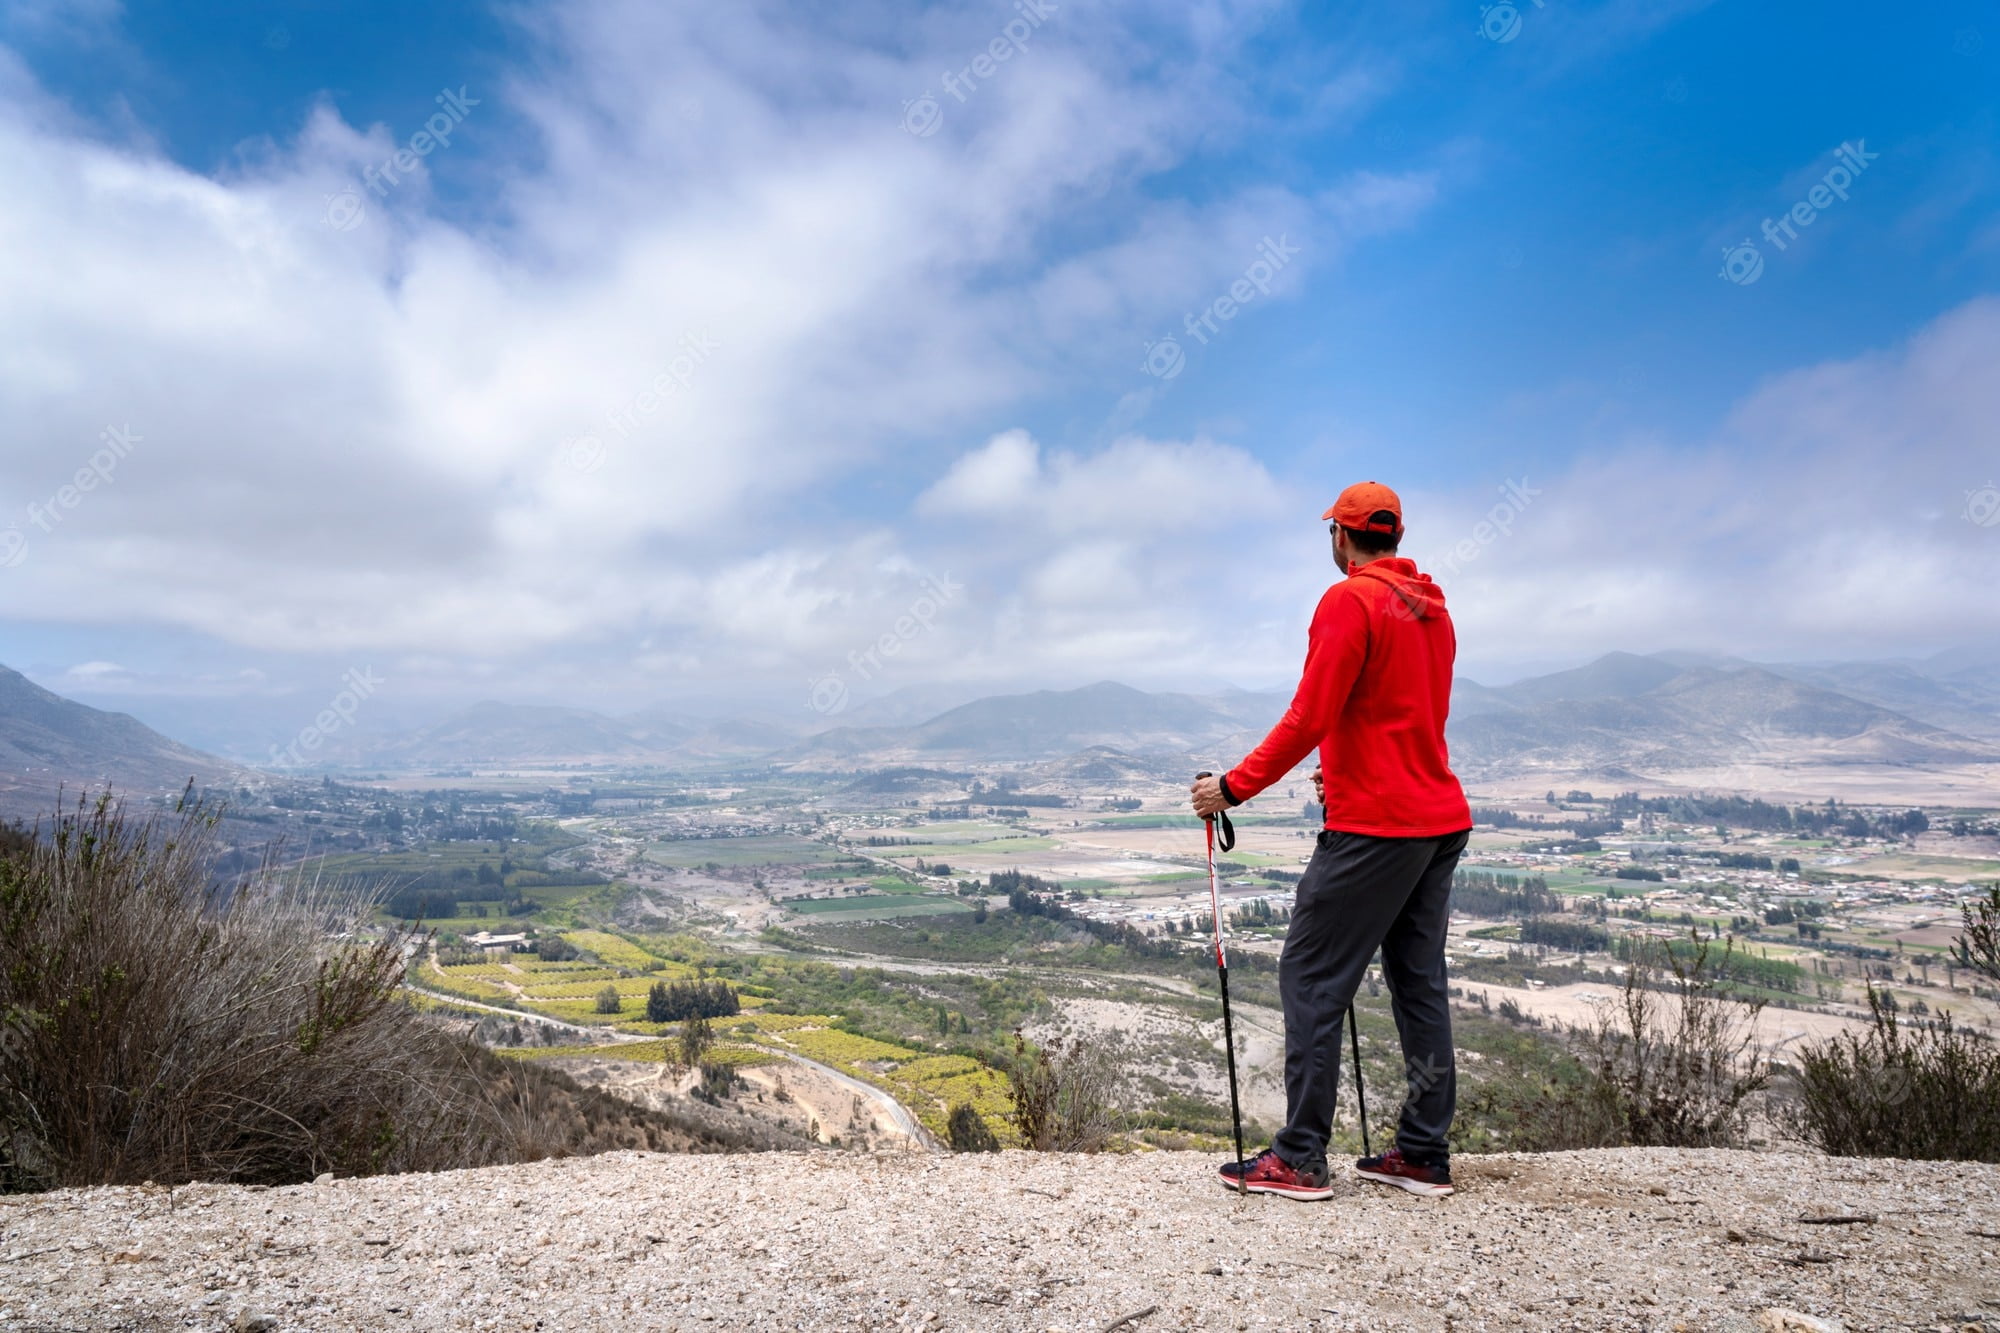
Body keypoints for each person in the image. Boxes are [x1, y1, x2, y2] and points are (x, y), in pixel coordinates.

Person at [1190, 480, 1471, 1199]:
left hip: (1377, 827)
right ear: (1395, 536)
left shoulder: (1348, 600)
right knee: (1419, 982)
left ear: (1342, 537)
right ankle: (1422, 1152)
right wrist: (1343, 773)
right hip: (1437, 820)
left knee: (1311, 977)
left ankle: (1301, 1157)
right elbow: (1401, 717)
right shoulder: (1432, 610)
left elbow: (1310, 713)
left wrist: (1232, 786)